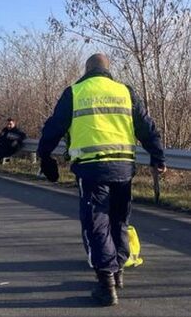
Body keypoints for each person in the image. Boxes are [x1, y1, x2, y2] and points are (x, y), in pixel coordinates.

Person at [37, 53, 166, 306]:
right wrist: (158, 156)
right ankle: (118, 272)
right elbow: (146, 126)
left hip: (92, 167)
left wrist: (44, 155)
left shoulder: (75, 92)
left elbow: (53, 128)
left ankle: (106, 283)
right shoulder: (125, 91)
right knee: (119, 220)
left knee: (97, 222)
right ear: (108, 69)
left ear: (86, 70)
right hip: (123, 168)